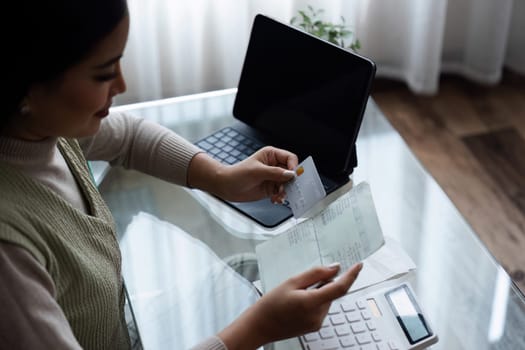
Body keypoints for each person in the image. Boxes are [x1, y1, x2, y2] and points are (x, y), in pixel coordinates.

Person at [0, 1, 363, 349]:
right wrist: (259, 327)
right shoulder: (9, 256)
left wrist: (221, 176)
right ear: (26, 86)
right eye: (105, 73)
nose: (122, 86)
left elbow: (128, 137)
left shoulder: (44, 129)